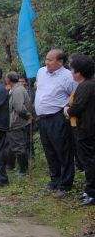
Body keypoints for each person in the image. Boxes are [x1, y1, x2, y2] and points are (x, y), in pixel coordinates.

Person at [35, 49, 77, 196]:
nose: (46, 62)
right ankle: (54, 180)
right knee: (49, 151)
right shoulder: (41, 72)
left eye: (50, 60)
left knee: (63, 151)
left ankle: (65, 184)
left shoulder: (68, 76)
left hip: (58, 117)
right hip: (42, 118)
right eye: (46, 59)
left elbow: (75, 95)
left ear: (60, 62)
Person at [65, 54, 95, 206]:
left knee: (89, 161)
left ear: (79, 72)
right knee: (87, 160)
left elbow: (77, 107)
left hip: (87, 129)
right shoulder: (88, 84)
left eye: (73, 70)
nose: (71, 72)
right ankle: (89, 190)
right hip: (86, 128)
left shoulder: (86, 86)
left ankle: (91, 192)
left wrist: (67, 111)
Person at [6, 72, 32, 176]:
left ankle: (23, 170)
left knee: (19, 146)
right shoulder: (17, 89)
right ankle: (21, 169)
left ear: (9, 80)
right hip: (17, 121)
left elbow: (19, 108)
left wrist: (27, 115)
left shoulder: (17, 90)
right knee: (17, 145)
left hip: (17, 122)